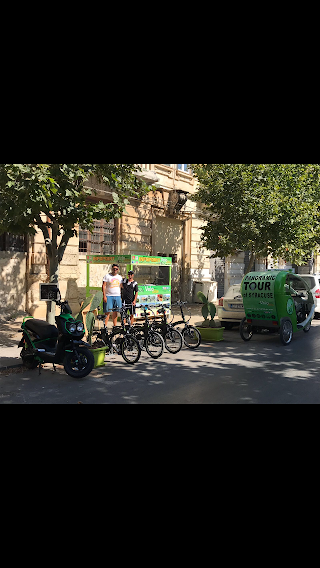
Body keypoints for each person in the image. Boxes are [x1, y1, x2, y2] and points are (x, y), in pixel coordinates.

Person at [102, 263, 123, 328]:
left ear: (118, 269)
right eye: (114, 269)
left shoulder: (119, 277)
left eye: (116, 269)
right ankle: (105, 326)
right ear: (112, 269)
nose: (115, 270)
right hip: (109, 296)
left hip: (117, 296)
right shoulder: (107, 276)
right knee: (107, 312)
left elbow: (121, 286)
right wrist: (104, 296)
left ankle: (115, 326)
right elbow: (103, 286)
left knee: (116, 311)